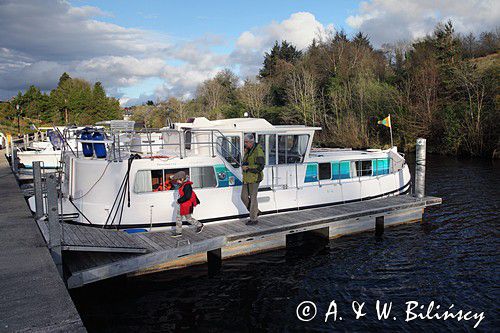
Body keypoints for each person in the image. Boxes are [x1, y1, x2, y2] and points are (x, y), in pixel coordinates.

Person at [241, 133, 265, 225]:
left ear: (251, 142)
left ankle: (254, 219)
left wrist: (248, 167)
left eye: (246, 142)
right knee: (243, 197)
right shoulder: (249, 149)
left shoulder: (258, 151)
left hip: (255, 178)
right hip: (247, 178)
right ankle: (256, 211)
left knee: (253, 197)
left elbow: (260, 166)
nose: (245, 144)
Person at [171, 171, 204, 237]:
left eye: (178, 180)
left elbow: (187, 196)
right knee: (179, 218)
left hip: (187, 205)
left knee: (188, 219)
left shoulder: (187, 185)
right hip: (183, 204)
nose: (177, 182)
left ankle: (200, 225)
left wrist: (179, 200)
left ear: (182, 179)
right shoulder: (183, 184)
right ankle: (178, 232)